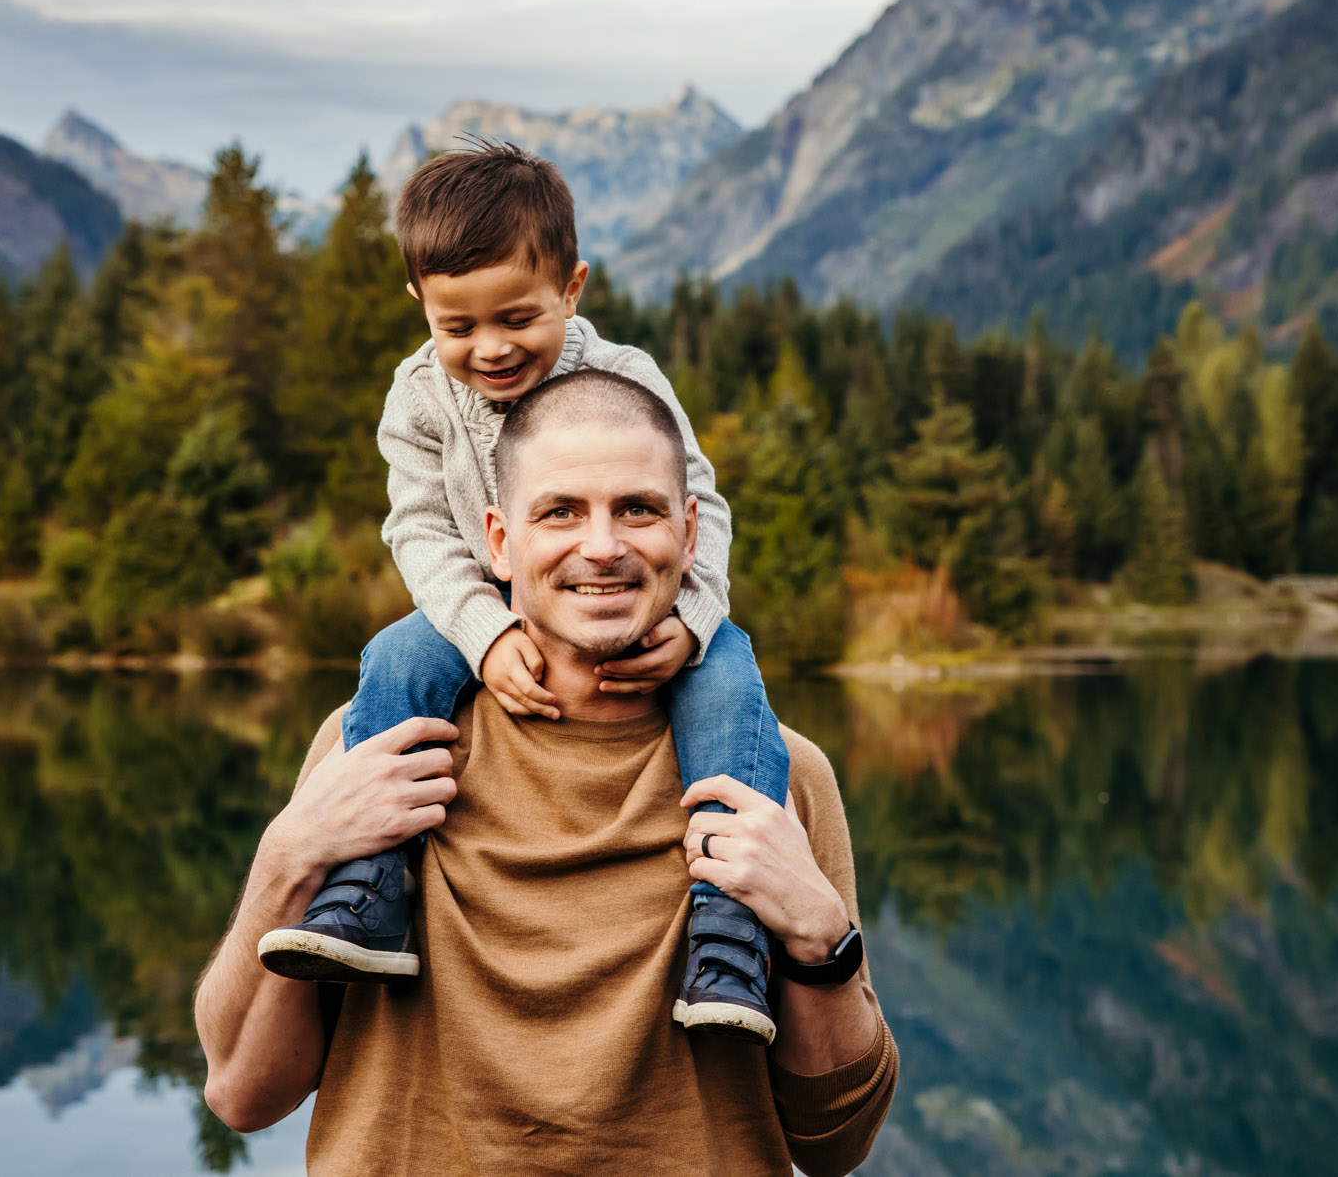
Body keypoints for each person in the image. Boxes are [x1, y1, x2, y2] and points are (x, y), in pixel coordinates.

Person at [196, 370, 896, 1175]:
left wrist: (819, 937)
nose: (603, 545)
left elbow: (835, 1143)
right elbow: (244, 1094)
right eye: (560, 511)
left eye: (638, 508)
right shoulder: (382, 748)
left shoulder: (778, 775)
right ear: (496, 540)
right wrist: (289, 857)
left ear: (691, 532)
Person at [256, 142, 793, 1041]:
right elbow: (420, 529)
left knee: (733, 689)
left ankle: (729, 928)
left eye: (517, 318)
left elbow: (702, 505)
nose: (491, 348)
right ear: (421, 308)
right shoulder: (418, 398)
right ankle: (372, 882)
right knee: (392, 659)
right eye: (457, 327)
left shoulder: (627, 380)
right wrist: (484, 634)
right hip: (476, 604)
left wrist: (694, 618)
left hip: (644, 608)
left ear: (571, 289)